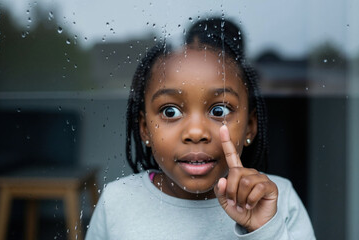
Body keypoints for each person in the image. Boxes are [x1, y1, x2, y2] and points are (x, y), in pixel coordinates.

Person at [85, 18, 316, 240]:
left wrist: (266, 230)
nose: (196, 132)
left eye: (219, 111)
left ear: (250, 127)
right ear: (145, 129)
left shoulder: (278, 198)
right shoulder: (117, 202)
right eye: (170, 112)